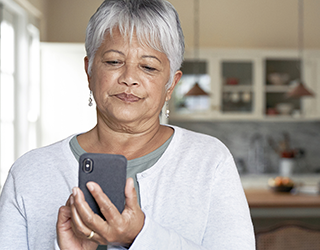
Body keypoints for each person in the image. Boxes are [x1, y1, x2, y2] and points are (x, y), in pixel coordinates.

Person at [0, 0, 255, 249]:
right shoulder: (29, 174)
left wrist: (138, 237)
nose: (129, 78)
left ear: (171, 85)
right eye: (113, 62)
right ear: (89, 71)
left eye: (148, 66)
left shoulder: (210, 162)